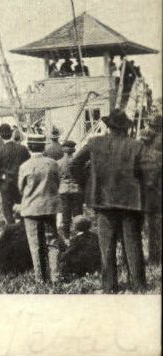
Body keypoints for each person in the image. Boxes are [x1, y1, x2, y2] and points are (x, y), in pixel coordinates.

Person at [70, 109, 146, 293]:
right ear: (125, 128)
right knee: (132, 243)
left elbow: (75, 164)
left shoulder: (94, 143)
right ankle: (138, 286)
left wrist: (87, 183)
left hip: (102, 201)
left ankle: (110, 286)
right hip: (130, 202)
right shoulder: (136, 146)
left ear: (108, 126)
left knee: (107, 245)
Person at [18, 134, 63, 284]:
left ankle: (40, 278)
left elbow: (20, 188)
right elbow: (57, 182)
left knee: (35, 244)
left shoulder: (24, 166)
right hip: (50, 207)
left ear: (29, 147)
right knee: (52, 242)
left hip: (31, 208)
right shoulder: (53, 164)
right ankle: (55, 276)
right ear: (44, 146)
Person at [0, 123, 30, 225]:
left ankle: (12, 229)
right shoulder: (22, 149)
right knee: (22, 206)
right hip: (21, 183)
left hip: (6, 184)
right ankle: (23, 227)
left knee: (7, 210)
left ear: (0, 135)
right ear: (12, 133)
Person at [138, 128, 161, 266]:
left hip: (136, 197)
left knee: (136, 229)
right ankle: (154, 257)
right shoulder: (159, 156)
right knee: (154, 229)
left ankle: (139, 258)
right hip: (155, 198)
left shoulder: (134, 156)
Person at [57, 140, 83, 239]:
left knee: (65, 211)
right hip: (76, 189)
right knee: (77, 212)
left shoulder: (58, 162)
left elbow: (57, 177)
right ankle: (80, 232)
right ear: (73, 150)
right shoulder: (78, 162)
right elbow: (82, 176)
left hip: (63, 189)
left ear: (64, 150)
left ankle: (66, 234)